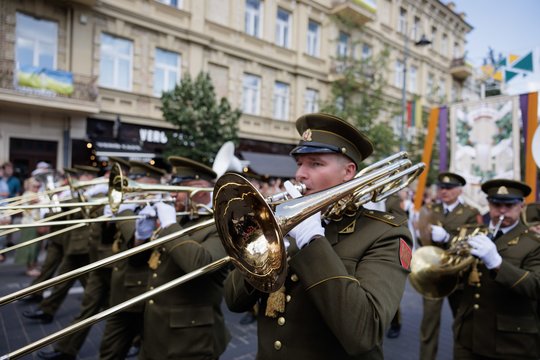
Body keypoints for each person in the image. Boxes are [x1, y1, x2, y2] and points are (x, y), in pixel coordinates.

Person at [224, 113, 413, 359]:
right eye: (299, 164)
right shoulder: (286, 225)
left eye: (315, 164)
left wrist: (312, 240)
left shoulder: (385, 233)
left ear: (348, 172)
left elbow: (365, 332)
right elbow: (234, 300)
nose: (300, 174)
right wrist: (264, 236)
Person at [37, 157, 130, 360]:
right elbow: (87, 216)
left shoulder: (132, 195)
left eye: (115, 171)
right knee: (88, 306)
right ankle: (65, 350)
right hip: (98, 256)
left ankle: (135, 340)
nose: (108, 175)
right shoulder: (102, 191)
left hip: (119, 262)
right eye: (109, 171)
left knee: (123, 312)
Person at [139, 156, 231, 359]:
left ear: (198, 191)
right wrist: (140, 235)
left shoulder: (221, 224)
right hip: (158, 329)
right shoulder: (184, 217)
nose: (172, 196)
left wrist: (170, 226)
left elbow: (201, 264)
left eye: (178, 189)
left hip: (191, 338)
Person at [453, 179, 540, 359]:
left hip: (510, 342)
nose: (502, 210)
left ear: (522, 205)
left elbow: (535, 286)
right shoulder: (474, 234)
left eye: (509, 205)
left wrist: (497, 263)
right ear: (489, 203)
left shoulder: (533, 244)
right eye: (496, 204)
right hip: (468, 335)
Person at [99, 161, 166, 360]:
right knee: (109, 350)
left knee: (148, 348)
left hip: (143, 291)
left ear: (152, 184)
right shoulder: (131, 206)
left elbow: (138, 257)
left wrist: (126, 214)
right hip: (121, 288)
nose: (131, 188)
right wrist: (108, 221)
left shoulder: (160, 210)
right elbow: (106, 240)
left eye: (137, 182)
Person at [22, 165, 101, 323]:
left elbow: (82, 213)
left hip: (83, 245)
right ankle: (47, 309)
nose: (77, 179)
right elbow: (60, 214)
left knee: (93, 288)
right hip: (73, 244)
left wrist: (67, 197)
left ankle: (114, 313)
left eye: (81, 176)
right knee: (63, 281)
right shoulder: (78, 192)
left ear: (90, 177)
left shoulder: (97, 193)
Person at [417, 172, 481, 360]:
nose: (444, 191)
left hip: (459, 275)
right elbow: (423, 242)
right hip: (433, 276)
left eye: (449, 188)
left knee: (461, 325)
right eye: (441, 187)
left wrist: (448, 238)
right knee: (428, 326)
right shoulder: (429, 208)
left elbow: (472, 244)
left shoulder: (471, 213)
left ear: (459, 190)